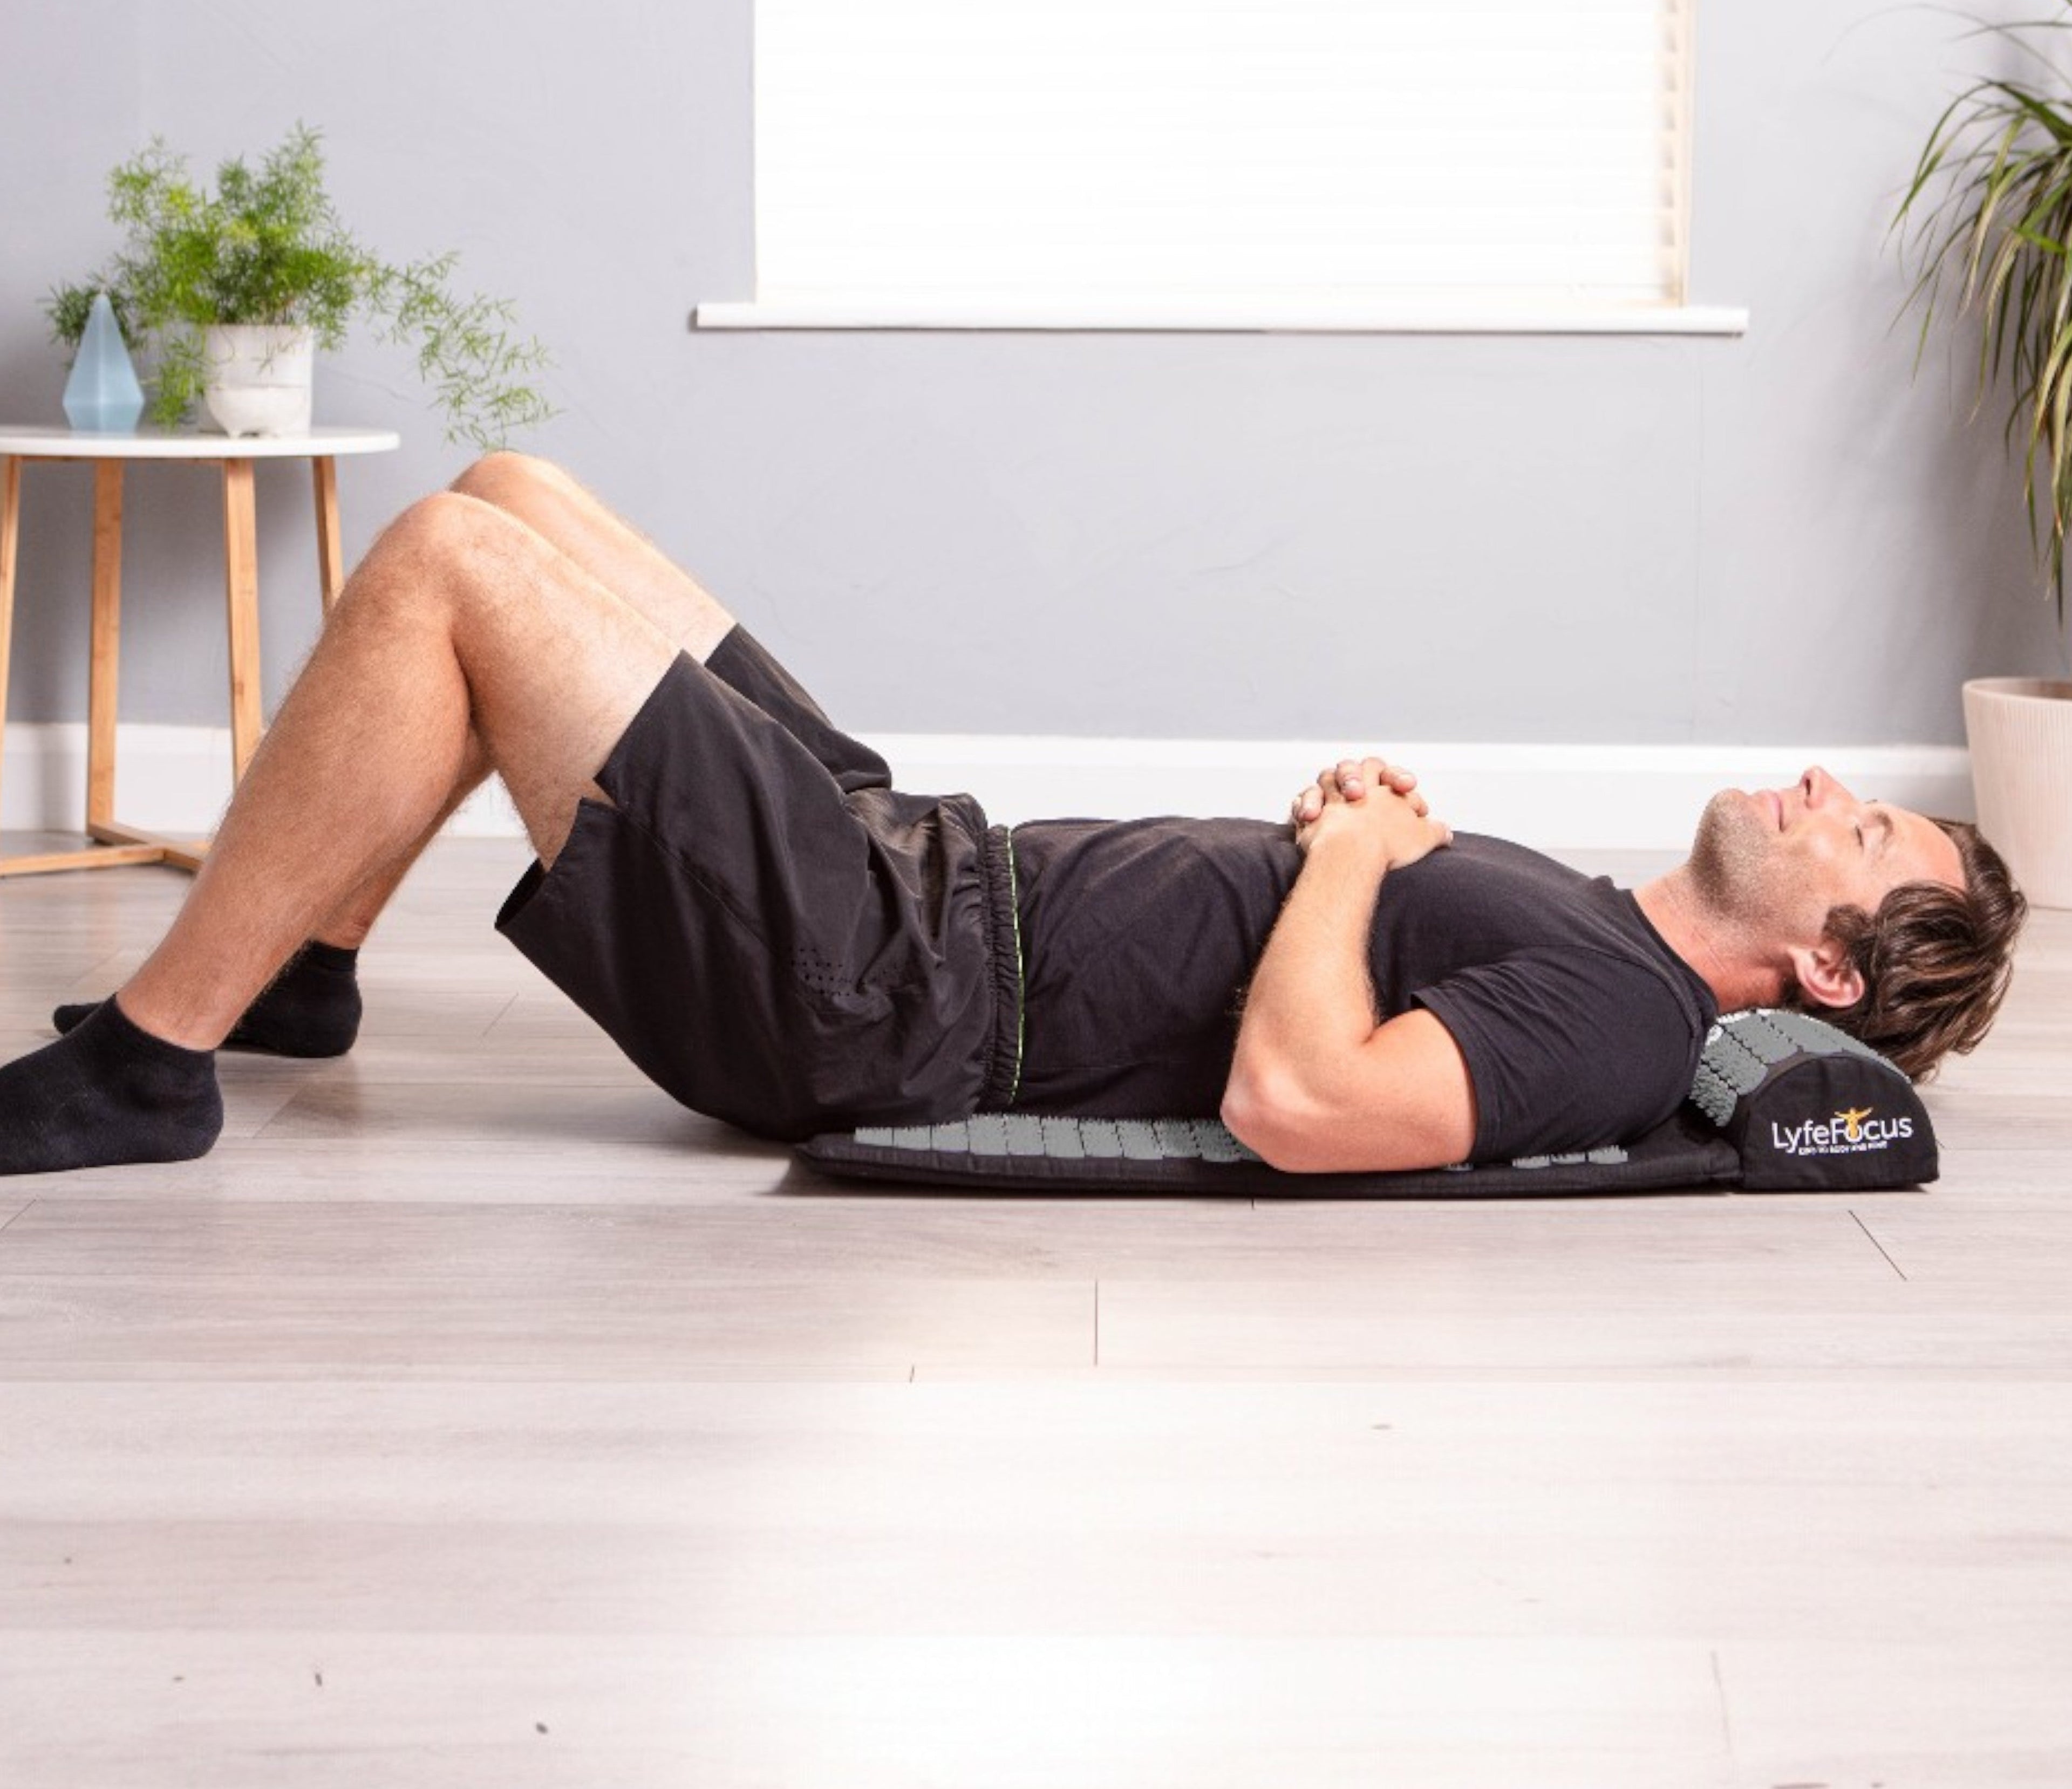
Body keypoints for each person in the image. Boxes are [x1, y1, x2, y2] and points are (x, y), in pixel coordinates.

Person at [0, 456, 2027, 1179]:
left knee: (445, 563)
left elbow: (1305, 1112)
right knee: (519, 490)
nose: (1834, 790)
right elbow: (1350, 975)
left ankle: (153, 1057)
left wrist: (1340, 857)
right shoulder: (1599, 934)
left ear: (1826, 963)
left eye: (1860, 834)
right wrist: (1367, 844)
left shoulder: (1629, 1025)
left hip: (886, 988)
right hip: (922, 872)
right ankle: (312, 972)